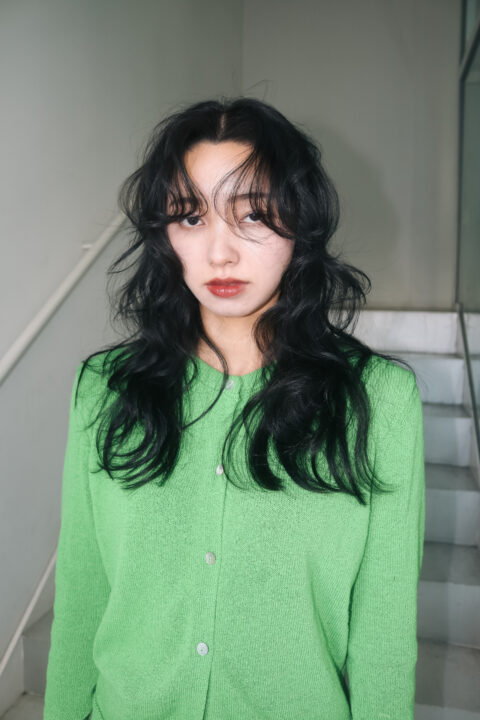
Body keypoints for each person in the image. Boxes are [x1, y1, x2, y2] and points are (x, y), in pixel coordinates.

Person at [43, 97, 425, 720]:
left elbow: (383, 636)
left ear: (301, 223)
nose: (219, 252)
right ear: (164, 234)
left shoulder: (379, 401)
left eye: (253, 215)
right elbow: (83, 596)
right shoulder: (106, 389)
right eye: (191, 217)